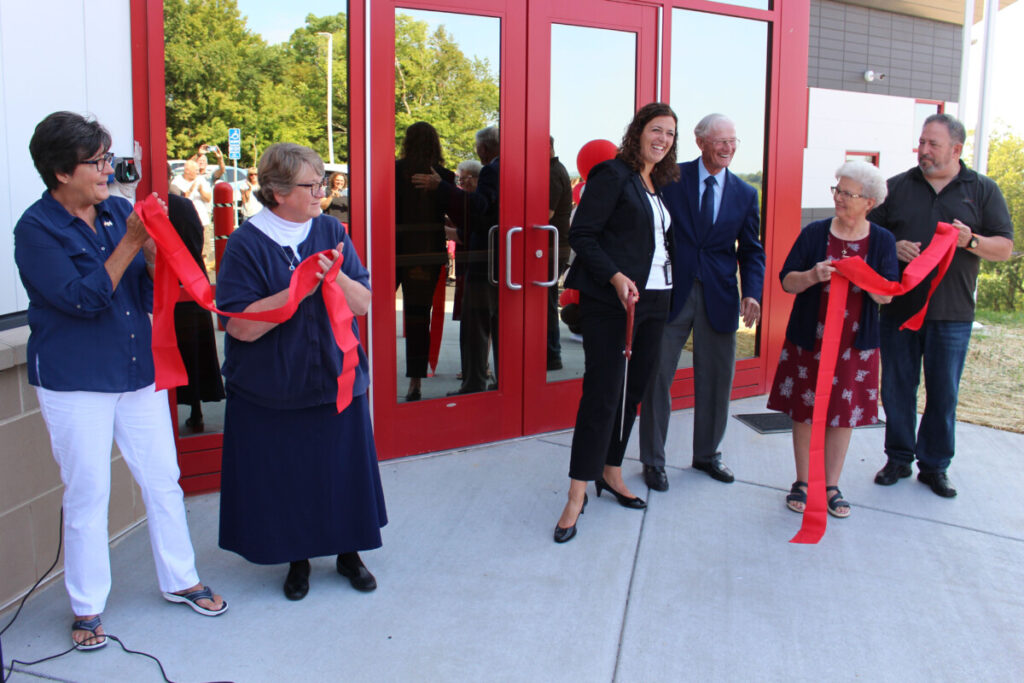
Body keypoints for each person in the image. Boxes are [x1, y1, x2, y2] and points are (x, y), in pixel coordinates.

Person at [14, 111, 227, 651]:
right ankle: (87, 607)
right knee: (89, 491)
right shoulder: (35, 230)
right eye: (97, 161)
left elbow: (151, 288)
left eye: (108, 158)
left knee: (162, 478)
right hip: (76, 380)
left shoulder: (116, 211)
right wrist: (131, 243)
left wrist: (154, 251)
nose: (108, 170)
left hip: (136, 371)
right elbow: (82, 300)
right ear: (62, 171)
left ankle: (181, 579)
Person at [216, 143, 387, 601]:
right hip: (273, 385)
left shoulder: (331, 230)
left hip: (336, 376)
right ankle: (298, 559)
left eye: (322, 183)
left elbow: (363, 303)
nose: (320, 193)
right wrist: (297, 290)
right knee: (289, 476)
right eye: (310, 185)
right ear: (277, 192)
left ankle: (350, 554)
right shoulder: (246, 243)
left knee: (341, 472)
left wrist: (337, 276)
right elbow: (239, 325)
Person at [868, 113, 1013, 498]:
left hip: (952, 314)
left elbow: (1004, 247)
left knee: (943, 393)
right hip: (899, 310)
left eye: (933, 144)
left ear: (956, 149)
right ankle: (898, 458)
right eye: (922, 142)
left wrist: (971, 241)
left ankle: (934, 467)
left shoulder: (982, 190)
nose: (924, 150)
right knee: (897, 388)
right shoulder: (896, 187)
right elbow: (866, 236)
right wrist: (891, 247)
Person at [553, 102, 679, 543]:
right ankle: (576, 494)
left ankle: (610, 471)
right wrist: (616, 276)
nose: (662, 139)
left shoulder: (658, 181)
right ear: (638, 130)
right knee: (603, 395)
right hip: (614, 301)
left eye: (670, 133)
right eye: (656, 130)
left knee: (632, 393)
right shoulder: (612, 174)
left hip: (656, 300)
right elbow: (583, 234)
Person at [638, 113, 765, 492]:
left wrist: (752, 292)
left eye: (733, 141)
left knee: (716, 380)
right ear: (700, 142)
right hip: (670, 292)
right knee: (657, 377)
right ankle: (653, 460)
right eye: (720, 141)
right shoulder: (671, 177)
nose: (728, 148)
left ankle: (707, 455)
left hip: (720, 297)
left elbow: (751, 250)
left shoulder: (745, 194)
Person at [767, 161, 898, 518]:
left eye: (847, 193)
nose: (838, 198)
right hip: (810, 338)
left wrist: (863, 276)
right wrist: (813, 275)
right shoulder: (815, 233)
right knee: (804, 410)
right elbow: (786, 281)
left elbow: (887, 295)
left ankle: (830, 485)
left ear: (869, 202)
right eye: (837, 190)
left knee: (844, 414)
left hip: (855, 344)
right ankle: (803, 481)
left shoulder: (882, 240)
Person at [413, 126, 500, 395]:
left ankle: (473, 383)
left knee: (475, 324)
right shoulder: (513, 168)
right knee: (499, 324)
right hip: (505, 259)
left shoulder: (492, 171)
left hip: (485, 258)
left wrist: (442, 188)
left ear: (483, 149)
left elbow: (480, 209)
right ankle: (502, 382)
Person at [395, 123, 454, 401]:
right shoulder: (443, 176)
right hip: (426, 254)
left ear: (407, 142)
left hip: (393, 251)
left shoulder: (394, 171)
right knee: (419, 317)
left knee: (374, 311)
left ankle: (370, 368)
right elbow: (455, 215)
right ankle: (415, 381)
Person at [168, 193, 225, 432]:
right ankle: (196, 409)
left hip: (168, 280)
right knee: (196, 349)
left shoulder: (151, 207)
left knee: (172, 350)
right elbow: (198, 240)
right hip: (193, 278)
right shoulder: (184, 205)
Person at [547, 136, 573, 371]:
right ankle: (549, 353)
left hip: (552, 246)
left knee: (546, 301)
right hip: (555, 246)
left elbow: (546, 213)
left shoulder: (553, 172)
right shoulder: (556, 169)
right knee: (546, 299)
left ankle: (551, 354)